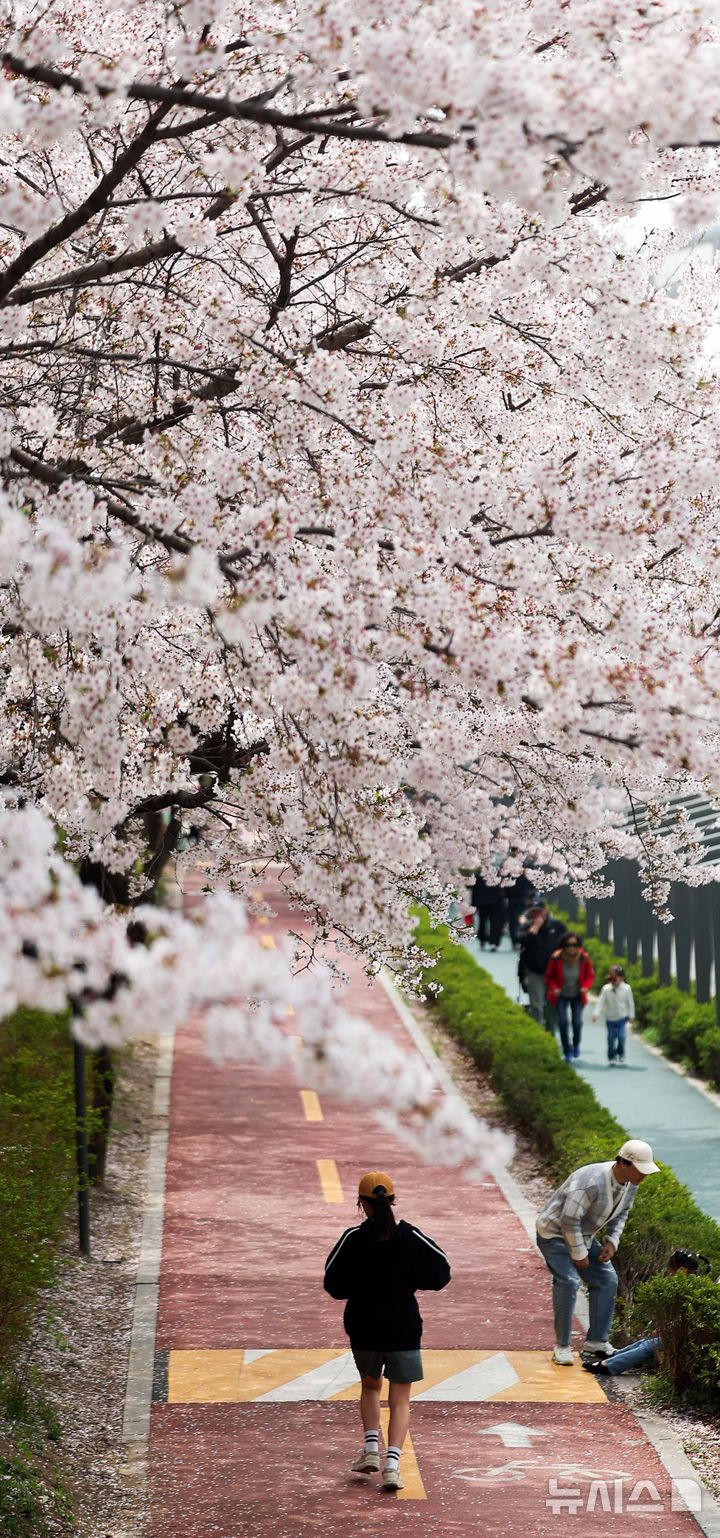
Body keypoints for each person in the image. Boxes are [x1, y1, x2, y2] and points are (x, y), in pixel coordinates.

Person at [323, 1170, 451, 1491]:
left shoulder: (353, 1238)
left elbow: (332, 1283)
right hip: (403, 1328)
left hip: (363, 1328)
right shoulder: (409, 1236)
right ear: (393, 1201)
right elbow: (441, 1271)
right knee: (401, 1399)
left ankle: (369, 1450)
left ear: (361, 1204)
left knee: (370, 1387)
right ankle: (392, 1465)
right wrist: (410, 1281)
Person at [535, 1138, 660, 1365]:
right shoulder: (591, 1181)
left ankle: (596, 1342)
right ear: (623, 1163)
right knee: (568, 1282)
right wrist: (579, 1253)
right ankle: (562, 1346)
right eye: (640, 1169)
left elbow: (622, 1213)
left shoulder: (631, 1184)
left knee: (607, 1279)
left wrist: (612, 1240)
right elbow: (569, 1219)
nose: (644, 1175)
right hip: (554, 1233)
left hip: (583, 1235)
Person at [584, 1249, 711, 1375]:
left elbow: (687, 1319)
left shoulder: (691, 1290)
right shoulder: (690, 1285)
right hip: (683, 1334)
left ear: (682, 1271)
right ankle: (616, 1355)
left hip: (691, 1340)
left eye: (671, 1270)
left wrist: (667, 1328)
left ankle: (609, 1366)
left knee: (649, 1346)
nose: (669, 1273)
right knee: (646, 1341)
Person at [545, 933, 595, 1062]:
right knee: (562, 1022)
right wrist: (554, 988)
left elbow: (590, 975)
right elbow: (549, 976)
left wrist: (585, 987)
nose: (572, 948)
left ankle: (576, 1043)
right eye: (569, 945)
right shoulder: (556, 958)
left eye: (575, 945)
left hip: (577, 995)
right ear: (563, 947)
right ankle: (566, 1050)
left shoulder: (584, 958)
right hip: (561, 995)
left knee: (577, 1022)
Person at [518, 901, 567, 1029]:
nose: (536, 914)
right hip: (534, 972)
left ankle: (550, 1032)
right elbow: (522, 941)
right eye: (533, 912)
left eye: (539, 911)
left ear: (545, 911)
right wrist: (534, 928)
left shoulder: (556, 926)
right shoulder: (527, 927)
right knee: (537, 1005)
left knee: (552, 1005)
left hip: (553, 973)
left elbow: (567, 944)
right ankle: (538, 1033)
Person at [593, 965, 635, 1066]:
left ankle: (620, 1052)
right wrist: (596, 1013)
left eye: (615, 977)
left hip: (622, 1017)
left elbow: (630, 1003)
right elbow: (601, 1002)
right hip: (610, 1018)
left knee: (621, 1037)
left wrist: (631, 1015)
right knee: (610, 1038)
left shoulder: (626, 988)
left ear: (621, 978)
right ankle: (611, 1056)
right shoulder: (606, 989)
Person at [470, 873, 505, 949]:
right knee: (494, 923)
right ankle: (493, 942)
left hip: (484, 903)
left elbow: (475, 890)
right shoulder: (496, 874)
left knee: (483, 922)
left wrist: (473, 904)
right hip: (494, 902)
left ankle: (483, 940)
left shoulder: (479, 875)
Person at [506, 875, 535, 947]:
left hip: (514, 899)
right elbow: (532, 886)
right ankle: (519, 940)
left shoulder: (510, 874)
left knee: (514, 921)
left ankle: (516, 940)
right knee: (520, 920)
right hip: (522, 899)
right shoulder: (526, 874)